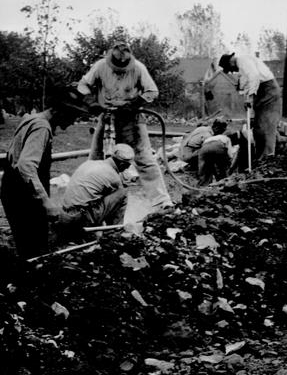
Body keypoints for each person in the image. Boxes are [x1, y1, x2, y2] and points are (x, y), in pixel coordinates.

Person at [77, 40, 173, 212]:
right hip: (106, 118)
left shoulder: (138, 68)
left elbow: (152, 91)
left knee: (145, 159)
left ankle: (161, 202)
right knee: (97, 159)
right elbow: (83, 85)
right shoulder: (100, 66)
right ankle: (88, 202)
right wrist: (92, 103)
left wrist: (133, 105)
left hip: (132, 119)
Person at [0, 87, 85, 259]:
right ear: (60, 110)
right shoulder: (42, 127)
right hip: (23, 196)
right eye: (73, 115)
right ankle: (29, 282)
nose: (73, 121)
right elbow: (25, 166)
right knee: (35, 252)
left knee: (30, 246)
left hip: (15, 191)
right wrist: (46, 202)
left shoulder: (32, 119)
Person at [218, 52, 281, 161]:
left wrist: (250, 96)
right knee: (258, 129)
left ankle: (268, 158)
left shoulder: (243, 59)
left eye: (230, 68)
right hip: (260, 92)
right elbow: (246, 83)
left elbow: (254, 76)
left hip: (268, 90)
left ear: (230, 62)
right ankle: (260, 157)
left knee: (266, 127)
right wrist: (247, 97)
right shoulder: (242, 67)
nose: (233, 71)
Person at [60, 143, 134, 229]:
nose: (127, 168)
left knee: (97, 196)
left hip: (64, 215)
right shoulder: (114, 177)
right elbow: (114, 205)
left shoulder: (90, 163)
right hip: (80, 220)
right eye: (128, 165)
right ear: (122, 164)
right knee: (123, 193)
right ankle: (114, 231)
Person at [197, 118, 235, 186]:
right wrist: (230, 163)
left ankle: (204, 185)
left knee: (206, 169)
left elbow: (205, 150)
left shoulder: (210, 137)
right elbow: (230, 154)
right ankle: (223, 182)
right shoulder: (226, 138)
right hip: (218, 146)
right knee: (222, 168)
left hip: (204, 149)